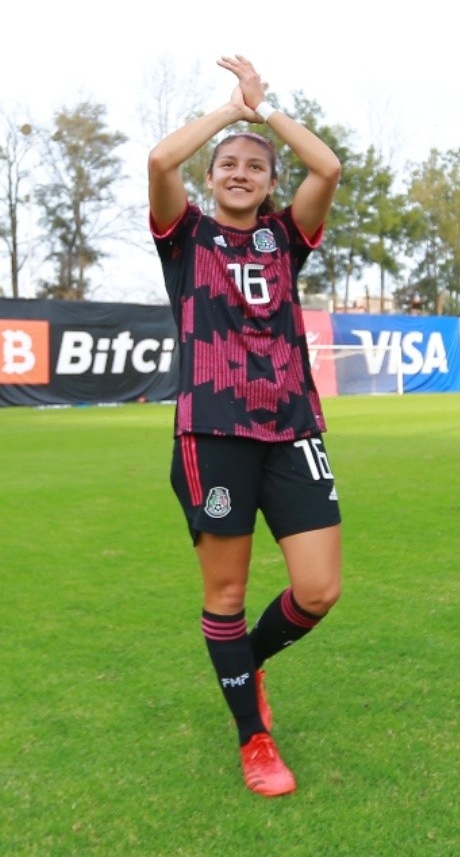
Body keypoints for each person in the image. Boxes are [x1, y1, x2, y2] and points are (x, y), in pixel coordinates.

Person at [148, 54, 343, 796]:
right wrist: (230, 112)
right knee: (224, 595)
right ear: (211, 176)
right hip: (213, 434)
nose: (238, 172)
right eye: (227, 164)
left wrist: (267, 116)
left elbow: (325, 166)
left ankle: (248, 662)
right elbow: (161, 156)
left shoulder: (286, 238)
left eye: (253, 167)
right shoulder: (184, 234)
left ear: (268, 183)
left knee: (319, 591)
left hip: (294, 430)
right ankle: (254, 737)